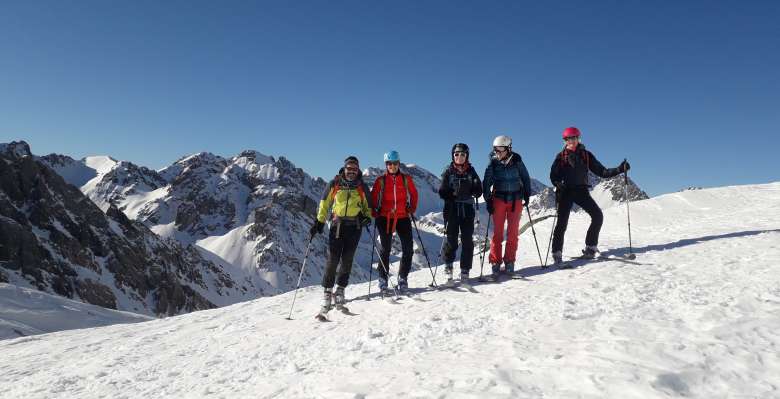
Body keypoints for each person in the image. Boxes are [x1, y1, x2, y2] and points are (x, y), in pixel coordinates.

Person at [549, 126, 630, 264]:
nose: (572, 141)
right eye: (569, 139)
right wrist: (558, 184)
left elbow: (602, 171)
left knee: (597, 215)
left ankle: (591, 248)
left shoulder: (586, 155)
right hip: (566, 192)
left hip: (581, 191)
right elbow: (553, 175)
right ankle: (557, 253)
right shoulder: (560, 157)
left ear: (578, 138)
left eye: (574, 138)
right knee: (562, 223)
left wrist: (619, 169)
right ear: (565, 141)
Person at [310, 156, 372, 316]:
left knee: (347, 260)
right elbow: (325, 203)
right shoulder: (335, 184)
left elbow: (368, 207)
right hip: (337, 226)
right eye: (349, 169)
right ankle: (327, 292)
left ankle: (340, 290)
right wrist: (320, 221)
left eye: (354, 169)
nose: (351, 172)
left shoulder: (362, 187)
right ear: (344, 169)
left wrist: (366, 217)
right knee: (333, 260)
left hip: (354, 227)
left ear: (358, 170)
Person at [482, 135, 532, 280]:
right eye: (495, 149)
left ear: (508, 148)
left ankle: (509, 263)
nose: (498, 152)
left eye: (501, 149)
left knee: (512, 233)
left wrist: (527, 194)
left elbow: (525, 177)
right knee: (497, 234)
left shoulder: (517, 161)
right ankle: (495, 264)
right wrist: (488, 200)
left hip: (515, 200)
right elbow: (486, 183)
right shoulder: (493, 163)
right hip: (499, 200)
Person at [370, 150, 418, 295]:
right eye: (389, 163)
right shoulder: (381, 180)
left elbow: (414, 193)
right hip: (385, 217)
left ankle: (402, 278)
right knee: (385, 249)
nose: (392, 166)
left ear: (398, 163)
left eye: (395, 163)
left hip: (402, 217)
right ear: (386, 165)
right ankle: (382, 280)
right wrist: (374, 211)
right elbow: (373, 196)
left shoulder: (406, 179)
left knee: (408, 248)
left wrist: (412, 208)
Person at [438, 143, 482, 284]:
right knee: (451, 241)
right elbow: (442, 191)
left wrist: (476, 189)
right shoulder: (448, 172)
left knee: (467, 241)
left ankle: (465, 270)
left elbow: (479, 190)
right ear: (453, 156)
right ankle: (448, 267)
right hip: (451, 210)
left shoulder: (471, 171)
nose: (459, 157)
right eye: (457, 154)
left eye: (462, 154)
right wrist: (449, 194)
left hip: (467, 210)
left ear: (466, 156)